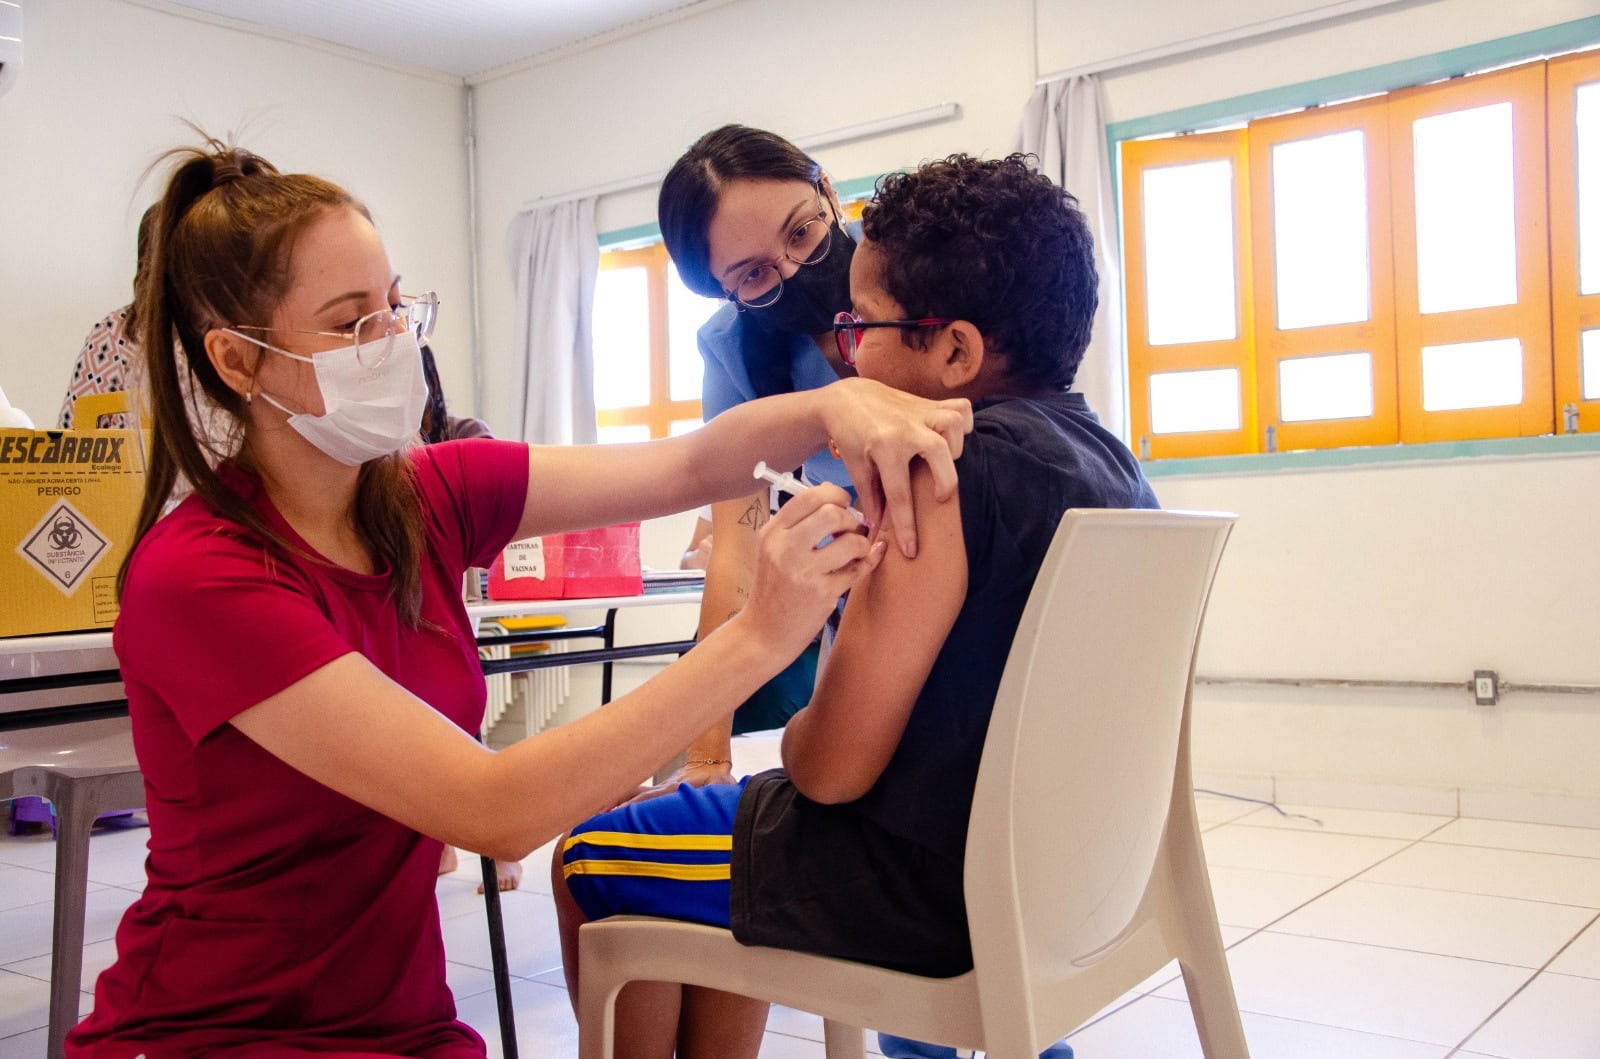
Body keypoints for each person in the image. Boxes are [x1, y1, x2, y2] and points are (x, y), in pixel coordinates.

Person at [66, 138, 971, 1057]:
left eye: (395, 306)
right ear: (237, 359)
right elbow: (492, 808)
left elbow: (693, 462)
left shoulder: (427, 495)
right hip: (215, 1029)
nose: (393, 346)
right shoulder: (201, 577)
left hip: (401, 1022)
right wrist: (757, 638)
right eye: (350, 325)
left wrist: (835, 410)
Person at [552, 154, 1158, 1058]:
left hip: (921, 887)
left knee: (584, 858)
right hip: (1067, 873)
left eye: (863, 326)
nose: (846, 352)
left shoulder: (930, 475)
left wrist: (790, 724)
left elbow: (829, 771)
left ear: (953, 350)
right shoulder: (1112, 462)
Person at [652, 123, 858, 794]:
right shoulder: (734, 353)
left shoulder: (916, 279)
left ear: (828, 191)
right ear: (723, 291)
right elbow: (734, 553)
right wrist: (707, 756)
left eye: (801, 233)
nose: (794, 271)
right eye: (754, 274)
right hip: (865, 596)